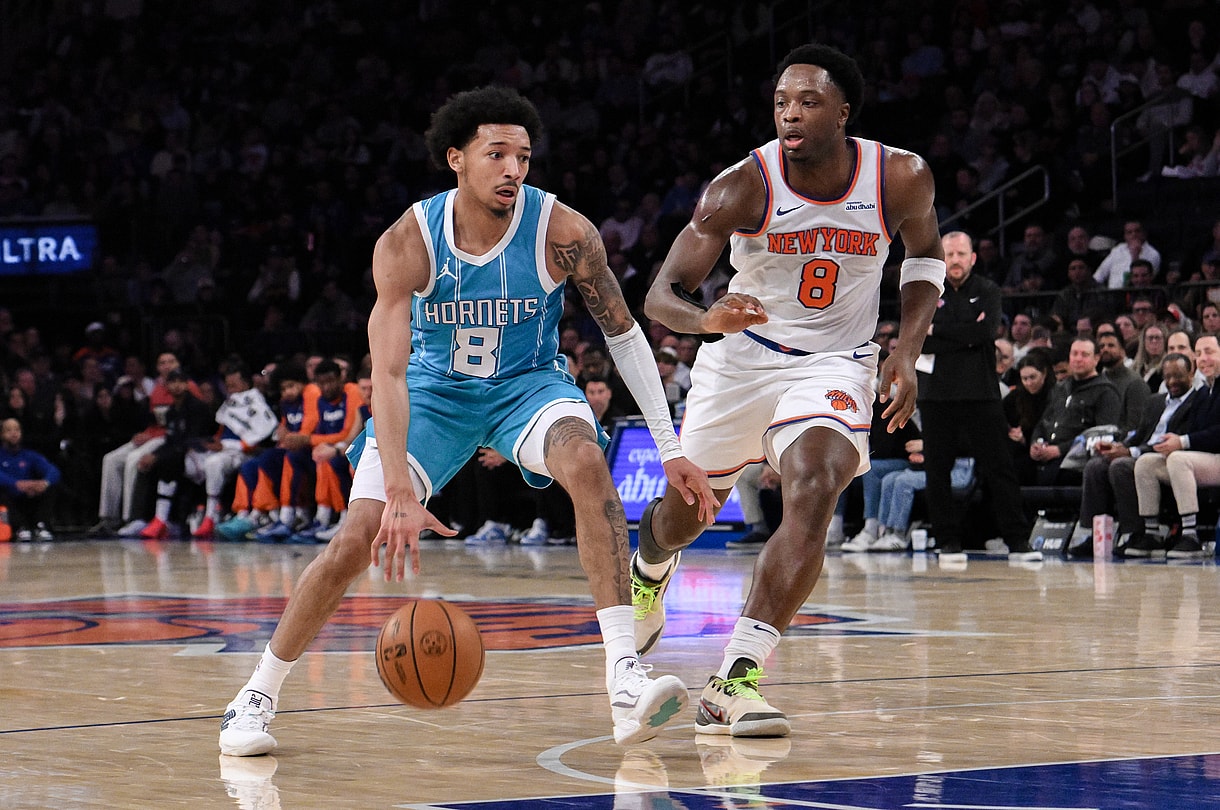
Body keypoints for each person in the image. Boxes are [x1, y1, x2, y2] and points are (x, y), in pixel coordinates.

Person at [219, 86, 714, 756]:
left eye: (524, 156)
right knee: (355, 535)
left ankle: (625, 679)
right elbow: (388, 375)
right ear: (456, 158)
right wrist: (397, 487)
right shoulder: (407, 242)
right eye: (497, 153)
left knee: (587, 463)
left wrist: (669, 446)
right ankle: (256, 695)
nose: (514, 168)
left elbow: (624, 337)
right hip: (434, 392)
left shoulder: (564, 232)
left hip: (527, 385)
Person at [631, 43, 944, 737]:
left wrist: (907, 345)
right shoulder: (742, 186)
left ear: (843, 112)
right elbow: (660, 295)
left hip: (836, 361)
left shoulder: (900, 177)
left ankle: (735, 678)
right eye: (780, 103)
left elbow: (925, 256)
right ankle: (651, 565)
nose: (790, 115)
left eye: (806, 102)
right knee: (687, 516)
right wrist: (705, 318)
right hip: (742, 358)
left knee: (816, 481)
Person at [917, 231, 1039, 562]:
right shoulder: (925, 292)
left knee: (999, 467)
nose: (955, 260)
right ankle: (947, 541)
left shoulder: (988, 289)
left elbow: (986, 333)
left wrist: (938, 331)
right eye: (949, 254)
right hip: (935, 396)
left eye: (961, 254)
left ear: (972, 258)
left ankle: (1018, 540)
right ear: (941, 259)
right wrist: (963, 334)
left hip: (981, 392)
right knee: (937, 471)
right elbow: (918, 340)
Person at [1066, 352, 1197, 558]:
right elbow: (1140, 434)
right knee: (1097, 465)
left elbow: (1174, 442)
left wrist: (1129, 452)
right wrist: (1117, 446)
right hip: (1141, 452)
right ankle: (1095, 534)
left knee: (1122, 466)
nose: (1172, 381)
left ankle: (1135, 533)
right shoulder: (1155, 401)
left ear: (1192, 373)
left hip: (1168, 458)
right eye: (1168, 376)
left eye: (1178, 376)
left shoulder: (1197, 402)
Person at [1127, 333, 1220, 558]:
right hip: (1206, 460)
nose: (1203, 358)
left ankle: (1191, 535)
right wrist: (1172, 441)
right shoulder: (1205, 390)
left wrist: (1182, 441)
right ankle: (1152, 534)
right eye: (1198, 354)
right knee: (1146, 462)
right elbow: (1199, 432)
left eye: (1210, 352)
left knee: (1179, 458)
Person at [1028, 337, 1122, 485]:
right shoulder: (1059, 388)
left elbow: (1104, 434)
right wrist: (1036, 442)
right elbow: (1044, 422)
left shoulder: (1106, 392)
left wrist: (1060, 449)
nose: (1078, 359)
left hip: (1077, 461)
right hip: (1047, 454)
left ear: (1096, 359)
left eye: (1084, 355)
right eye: (1074, 354)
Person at [0, 417, 61, 540]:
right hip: (11, 499)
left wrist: (44, 483)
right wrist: (17, 484)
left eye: (17, 430)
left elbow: (53, 470)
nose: (14, 433)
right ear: (2, 434)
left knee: (51, 487)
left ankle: (41, 525)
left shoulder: (29, 455)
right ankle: (19, 527)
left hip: (29, 496)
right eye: (9, 430)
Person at [1097, 330, 1152, 436]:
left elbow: (1135, 426)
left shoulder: (1135, 383)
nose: (1105, 349)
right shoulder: (1097, 381)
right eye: (1102, 346)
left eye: (1111, 345)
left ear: (1122, 351)